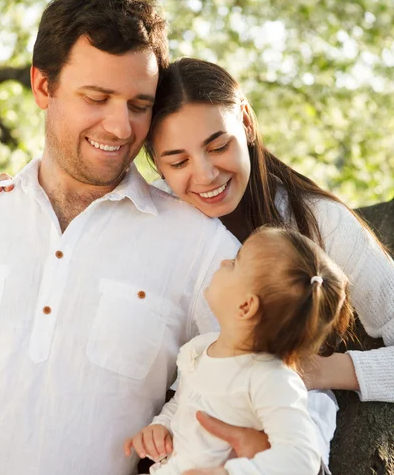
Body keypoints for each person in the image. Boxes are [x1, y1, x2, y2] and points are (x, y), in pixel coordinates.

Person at [0, 0, 247, 475]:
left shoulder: (199, 247)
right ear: (44, 87)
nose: (120, 127)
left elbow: (261, 377)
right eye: (96, 97)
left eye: (139, 104)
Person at [69, 226, 353, 475]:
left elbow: (301, 456)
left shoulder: (271, 380)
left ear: (246, 306)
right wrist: (161, 426)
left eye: (234, 263)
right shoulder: (203, 348)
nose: (222, 262)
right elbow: (184, 404)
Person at [142, 57, 394, 404]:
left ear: (245, 122)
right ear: (157, 162)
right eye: (179, 161)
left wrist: (321, 370)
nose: (205, 176)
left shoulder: (321, 222)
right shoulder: (147, 225)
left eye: (218, 147)